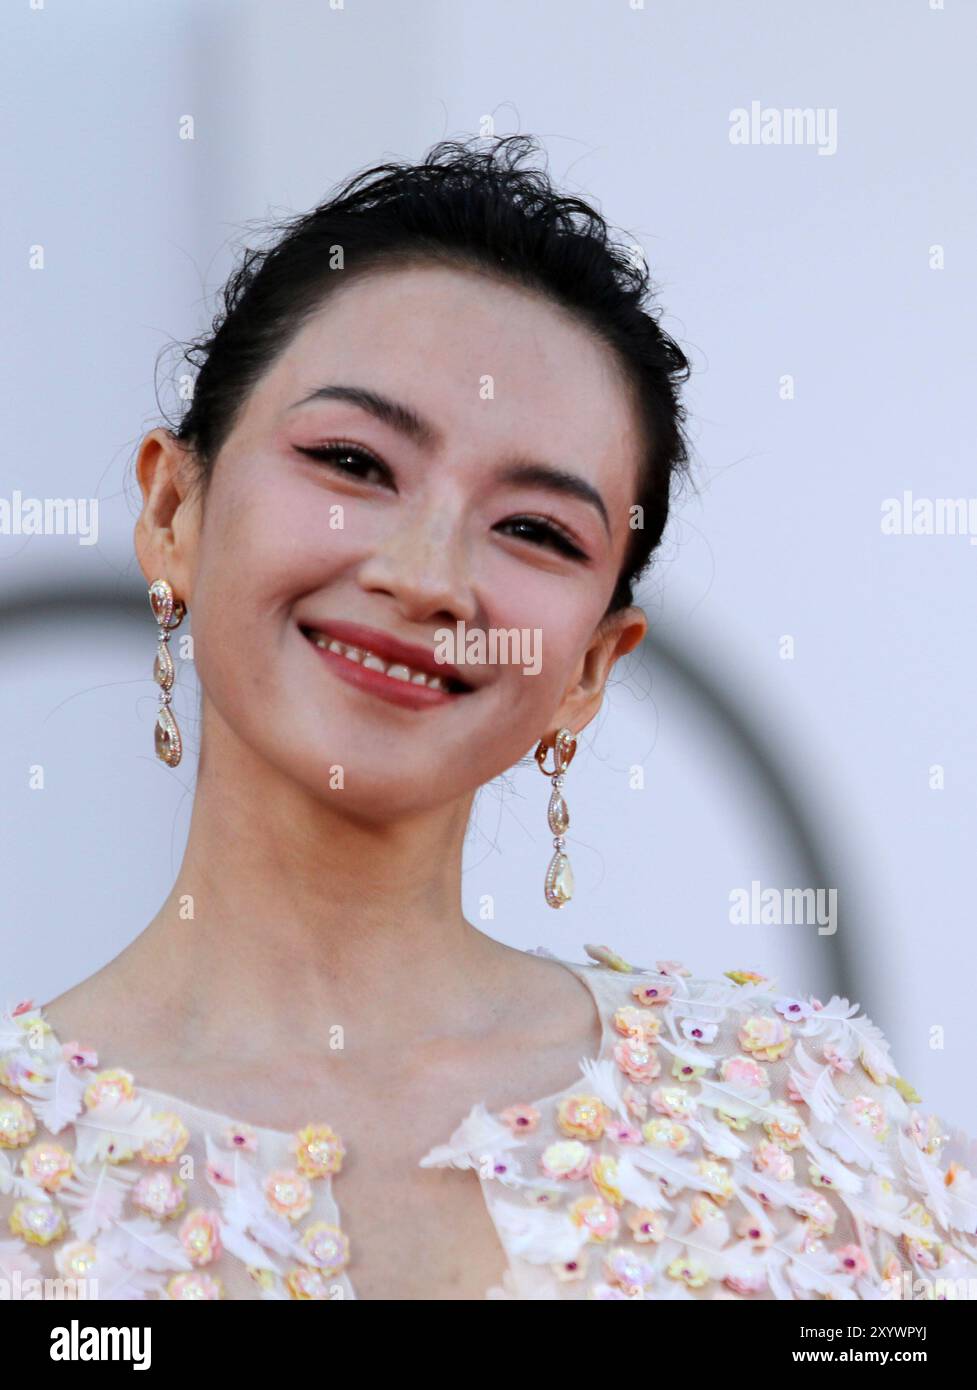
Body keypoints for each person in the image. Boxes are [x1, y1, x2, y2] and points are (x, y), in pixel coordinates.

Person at [2, 136, 974, 1301]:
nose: (426, 577)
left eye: (535, 531)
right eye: (353, 461)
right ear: (174, 509)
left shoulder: (813, 1135)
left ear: (589, 668)